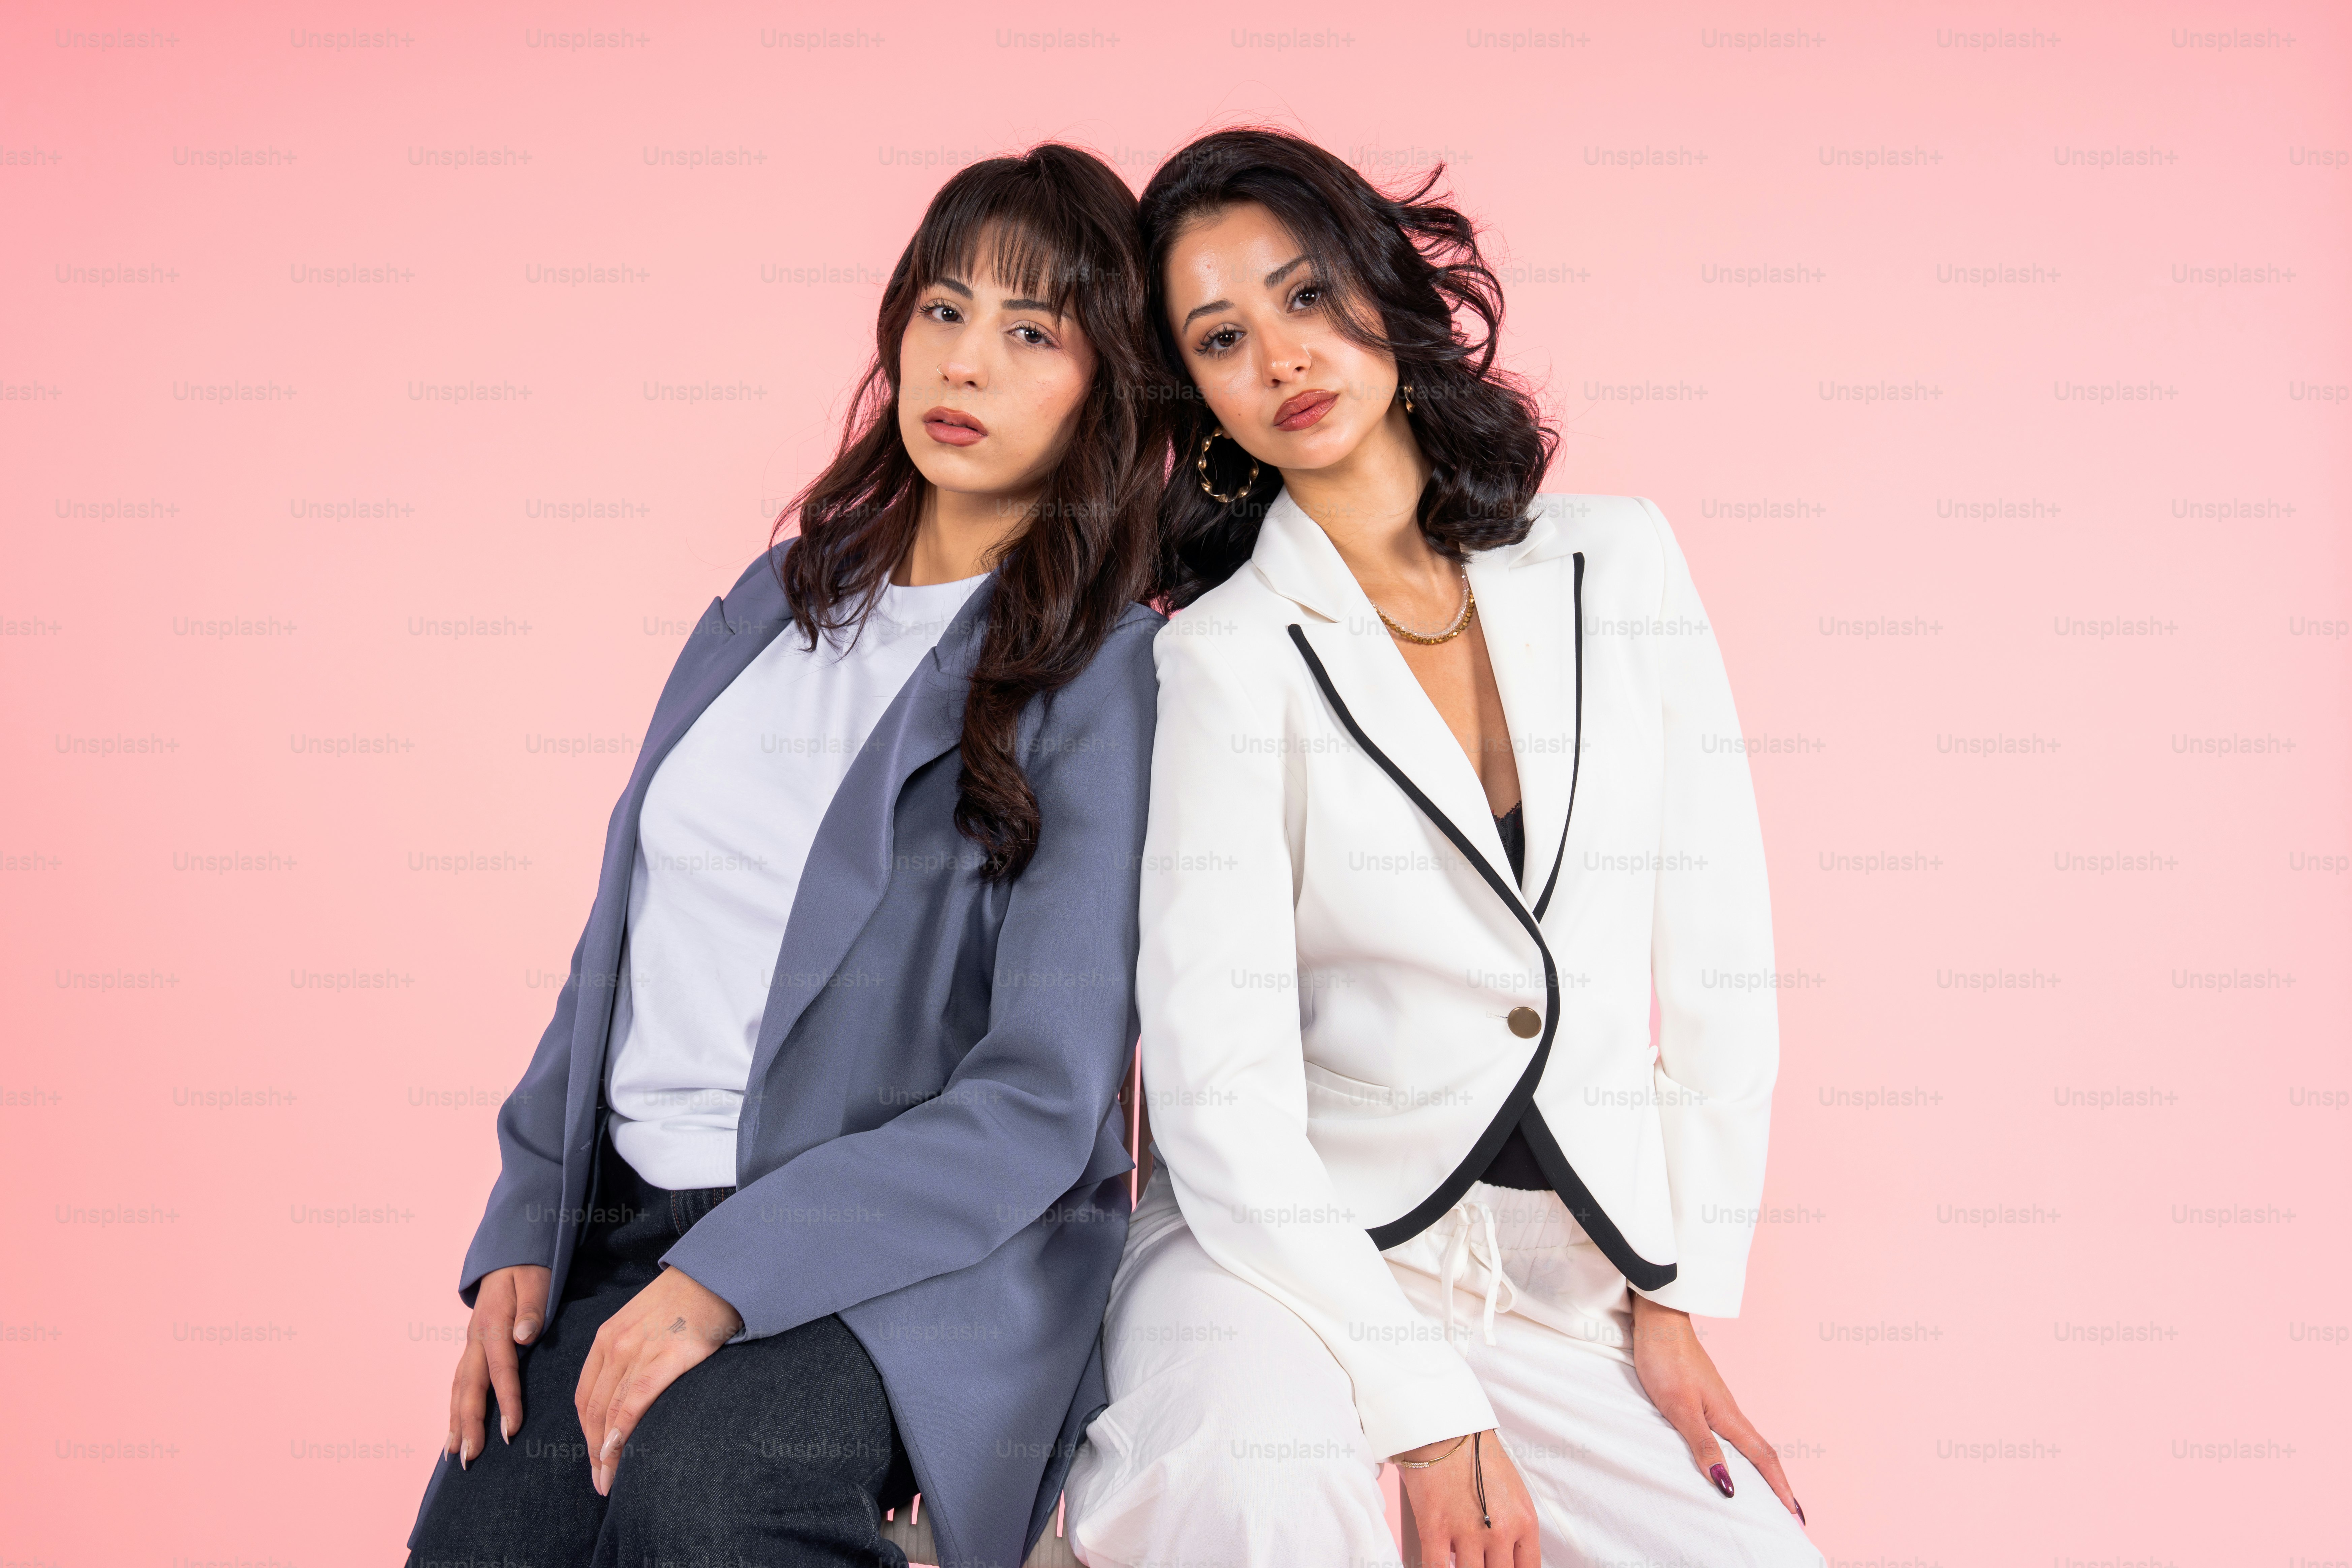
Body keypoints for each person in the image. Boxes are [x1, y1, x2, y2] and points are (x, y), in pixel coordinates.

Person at [1064, 128, 1821, 1568]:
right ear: (1200, 397)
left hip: (1549, 1279)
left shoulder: (1622, 558)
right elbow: (1216, 1095)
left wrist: (1673, 1296)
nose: (1283, 357)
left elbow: (1720, 955)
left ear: (1384, 292)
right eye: (1223, 336)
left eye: (1306, 297)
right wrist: (1421, 1413)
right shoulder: (1222, 661)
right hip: (1289, 1258)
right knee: (1271, 1507)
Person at [404, 144, 1166, 1568]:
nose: (970, 367)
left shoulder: (1103, 673)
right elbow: (624, 936)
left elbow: (1044, 1097)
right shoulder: (781, 599)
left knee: (708, 1491)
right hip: (626, 1223)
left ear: (1103, 386)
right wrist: (525, 1217)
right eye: (943, 312)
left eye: (1031, 334)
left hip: (899, 1262)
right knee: (484, 1538)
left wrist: (728, 1279)